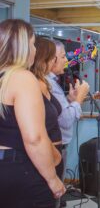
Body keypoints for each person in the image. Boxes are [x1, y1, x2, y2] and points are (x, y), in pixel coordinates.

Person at [0, 19, 65, 207]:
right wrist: (53, 179)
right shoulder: (22, 77)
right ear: (23, 47)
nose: (35, 50)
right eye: (32, 44)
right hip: (21, 170)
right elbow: (34, 138)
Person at [46, 39, 90, 204]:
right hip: (55, 149)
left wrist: (70, 100)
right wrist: (78, 99)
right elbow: (64, 120)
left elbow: (56, 113)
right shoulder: (48, 84)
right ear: (51, 59)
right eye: (63, 56)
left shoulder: (53, 83)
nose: (66, 60)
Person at [30, 37, 65, 177]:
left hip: (55, 150)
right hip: (47, 153)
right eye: (52, 58)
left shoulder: (45, 83)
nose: (54, 62)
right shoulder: (32, 85)